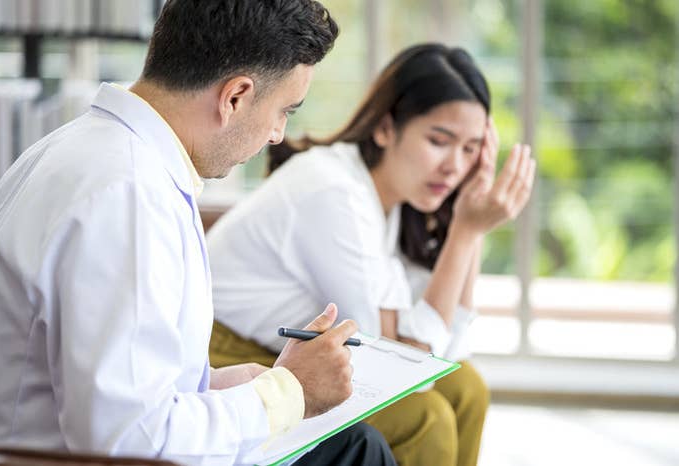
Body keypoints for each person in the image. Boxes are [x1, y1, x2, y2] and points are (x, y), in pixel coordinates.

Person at [0, 1, 397, 466]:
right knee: (359, 453)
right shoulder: (128, 196)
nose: (278, 134)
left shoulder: (79, 152)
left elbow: (108, 383)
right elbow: (129, 444)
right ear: (235, 96)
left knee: (355, 446)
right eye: (285, 111)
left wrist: (221, 385)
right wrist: (285, 392)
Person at [205, 43, 536, 466]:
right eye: (439, 140)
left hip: (287, 351)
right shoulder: (334, 191)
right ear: (384, 128)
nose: (455, 166)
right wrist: (466, 233)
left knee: (466, 387)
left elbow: (445, 352)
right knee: (426, 417)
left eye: (471, 149)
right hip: (232, 357)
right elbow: (404, 368)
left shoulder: (388, 202)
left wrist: (468, 225)